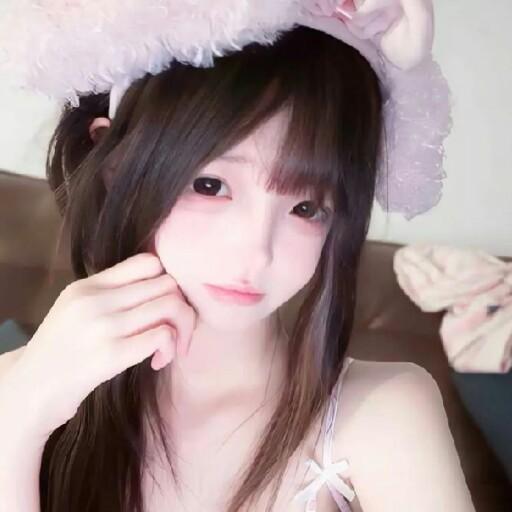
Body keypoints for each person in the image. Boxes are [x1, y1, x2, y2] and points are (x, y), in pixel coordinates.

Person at [0, 2, 473, 512]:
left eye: (306, 207)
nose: (256, 250)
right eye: (210, 185)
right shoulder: (20, 386)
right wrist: (19, 421)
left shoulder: (383, 412)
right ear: (115, 167)